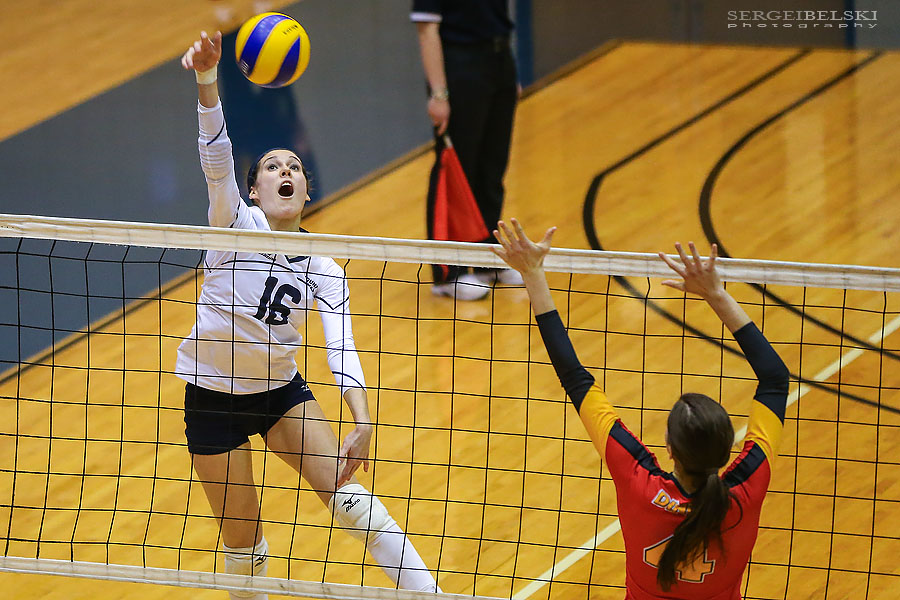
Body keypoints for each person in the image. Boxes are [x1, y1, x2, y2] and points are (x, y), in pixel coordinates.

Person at [176, 31, 440, 599]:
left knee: (355, 505)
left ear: (304, 188)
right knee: (245, 550)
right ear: (255, 187)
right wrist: (206, 79)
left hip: (279, 394)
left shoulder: (324, 266)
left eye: (293, 165)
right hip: (212, 396)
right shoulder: (232, 225)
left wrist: (361, 416)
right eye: (271, 166)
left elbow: (341, 349)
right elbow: (215, 155)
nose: (284, 171)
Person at [492, 219, 789, 599]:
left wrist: (532, 273)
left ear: (669, 447)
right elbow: (776, 380)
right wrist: (716, 294)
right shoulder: (747, 489)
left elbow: (575, 378)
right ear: (728, 447)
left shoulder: (639, 484)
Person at [411, 0, 522, 301]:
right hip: (461, 68)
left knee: (492, 166)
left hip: (499, 62)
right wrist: (438, 93)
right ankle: (449, 273)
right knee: (456, 169)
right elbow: (427, 30)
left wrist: (509, 76)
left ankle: (488, 260)